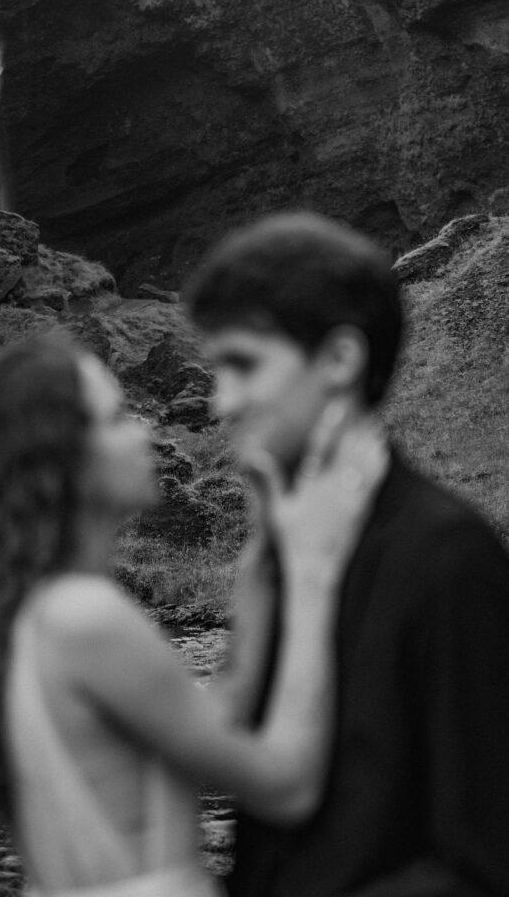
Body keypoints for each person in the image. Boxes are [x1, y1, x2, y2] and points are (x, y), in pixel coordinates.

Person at [0, 330, 386, 897]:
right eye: (116, 418)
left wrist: (264, 561)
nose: (145, 431)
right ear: (61, 461)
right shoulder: (87, 619)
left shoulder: (38, 608)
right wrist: (316, 572)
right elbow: (286, 784)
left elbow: (209, 722)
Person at [186, 210, 509, 897]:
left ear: (338, 359)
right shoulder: (274, 545)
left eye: (242, 364)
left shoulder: (448, 554)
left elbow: (482, 859)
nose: (221, 402)